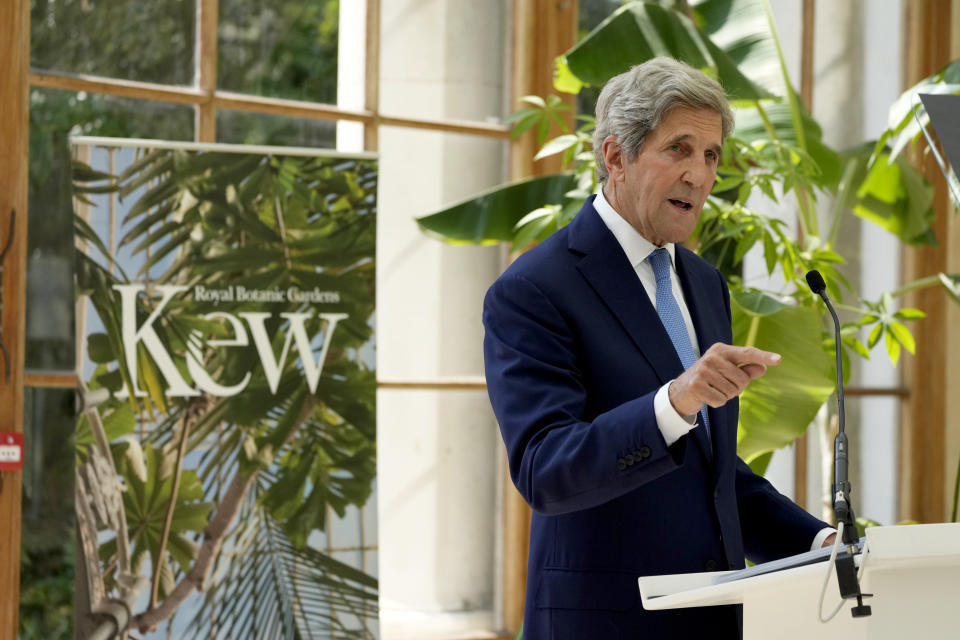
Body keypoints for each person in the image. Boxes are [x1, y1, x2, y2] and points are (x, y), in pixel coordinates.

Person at [482, 57, 834, 640]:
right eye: (679, 149)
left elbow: (713, 473)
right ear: (616, 156)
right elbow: (546, 470)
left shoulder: (703, 283)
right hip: (603, 623)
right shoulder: (533, 289)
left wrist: (818, 541)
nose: (699, 174)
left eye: (712, 155)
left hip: (714, 619)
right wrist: (672, 402)